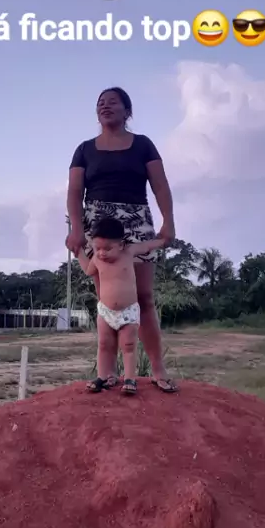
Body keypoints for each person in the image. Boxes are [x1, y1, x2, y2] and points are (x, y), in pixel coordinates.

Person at [66, 86, 177, 393]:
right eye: (100, 102)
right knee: (107, 301)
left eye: (112, 102)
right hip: (98, 226)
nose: (105, 106)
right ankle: (108, 373)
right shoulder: (84, 149)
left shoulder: (143, 145)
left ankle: (157, 369)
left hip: (136, 221)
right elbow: (74, 192)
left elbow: (160, 185)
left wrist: (168, 221)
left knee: (144, 297)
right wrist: (76, 228)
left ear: (127, 111)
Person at [75, 216, 165, 394]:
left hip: (128, 311)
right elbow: (88, 270)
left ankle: (130, 379)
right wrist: (78, 252)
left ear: (121, 245)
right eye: (98, 248)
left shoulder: (128, 253)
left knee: (128, 345)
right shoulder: (97, 260)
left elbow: (146, 246)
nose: (102, 253)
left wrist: (162, 241)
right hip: (105, 311)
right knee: (104, 344)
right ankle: (102, 376)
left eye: (108, 248)